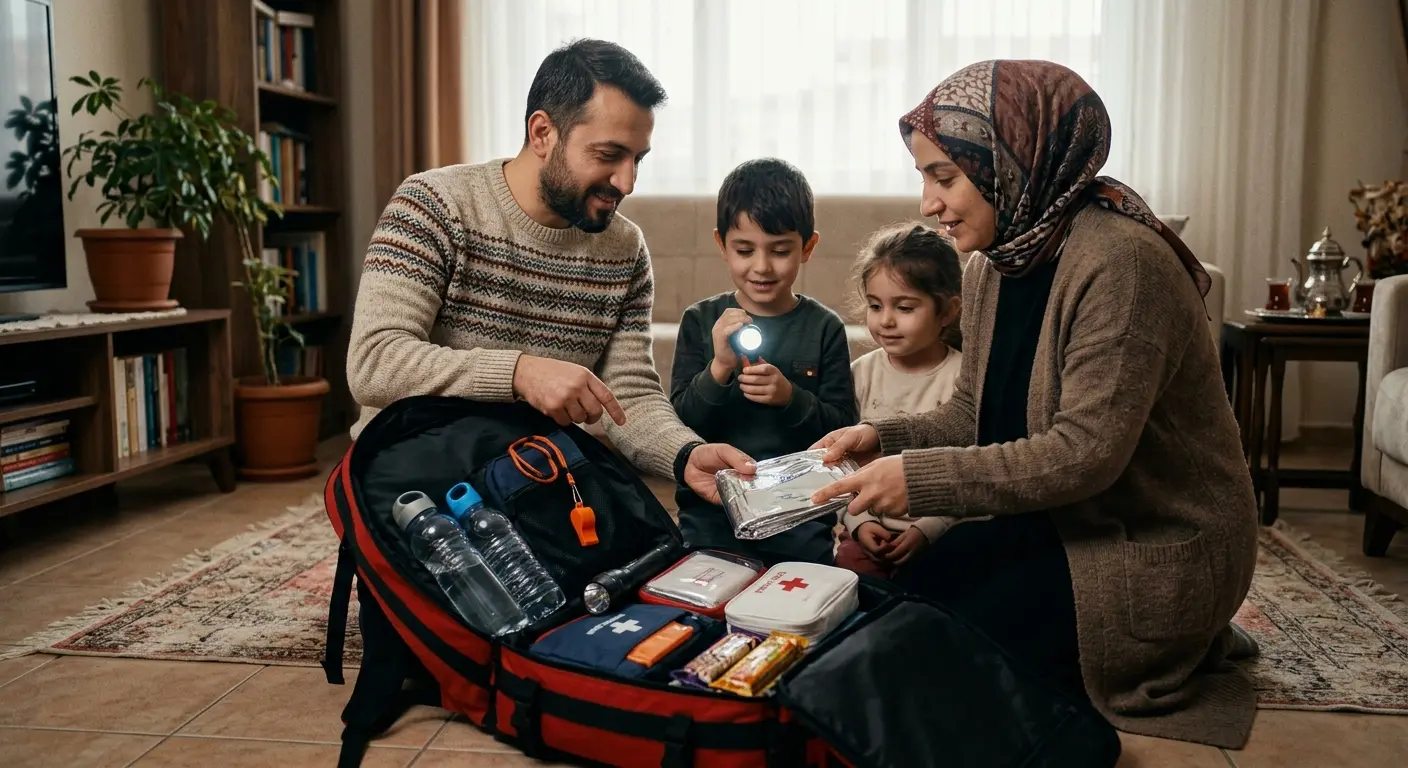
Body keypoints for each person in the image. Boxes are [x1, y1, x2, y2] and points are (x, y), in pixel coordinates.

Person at [809, 60, 1261, 749]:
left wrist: (915, 481)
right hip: (1062, 525)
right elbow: (971, 414)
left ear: (1011, 163)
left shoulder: (1122, 265)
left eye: (943, 176)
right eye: (926, 177)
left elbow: (1084, 456)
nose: (928, 203)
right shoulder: (996, 263)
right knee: (900, 607)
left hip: (1147, 542)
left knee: (938, 657)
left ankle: (1178, 637)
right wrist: (881, 437)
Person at [346, 39, 751, 505]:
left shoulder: (624, 249)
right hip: (412, 479)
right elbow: (374, 362)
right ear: (542, 133)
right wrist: (520, 373)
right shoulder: (434, 204)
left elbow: (630, 399)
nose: (627, 182)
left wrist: (685, 455)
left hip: (532, 477)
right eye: (608, 154)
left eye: (637, 159)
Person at [669, 158, 858, 566]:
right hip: (712, 510)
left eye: (780, 250)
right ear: (721, 245)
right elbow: (679, 425)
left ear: (807, 247)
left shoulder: (824, 327)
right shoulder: (700, 322)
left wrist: (790, 397)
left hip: (800, 511)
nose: (761, 266)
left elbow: (842, 431)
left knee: (803, 596)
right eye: (744, 250)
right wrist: (718, 370)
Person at [834, 222, 968, 579]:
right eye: (875, 306)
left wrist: (928, 529)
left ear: (947, 311)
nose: (886, 321)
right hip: (866, 528)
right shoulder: (859, 374)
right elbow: (841, 466)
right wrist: (859, 522)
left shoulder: (963, 377)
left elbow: (971, 469)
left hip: (940, 532)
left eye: (905, 308)